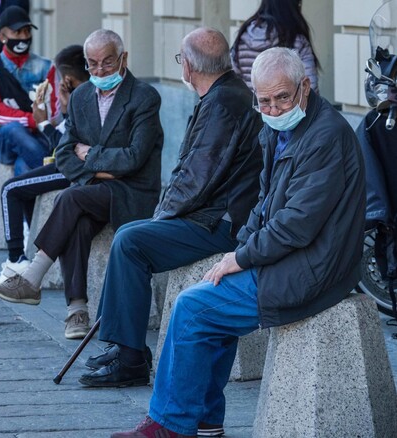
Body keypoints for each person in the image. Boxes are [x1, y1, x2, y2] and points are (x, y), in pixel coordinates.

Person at [111, 47, 365, 438]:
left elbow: (296, 225)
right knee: (207, 299)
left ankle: (171, 424)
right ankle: (205, 419)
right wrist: (237, 251)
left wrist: (241, 258)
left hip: (314, 266)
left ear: (306, 87)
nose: (275, 109)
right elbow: (262, 205)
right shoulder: (275, 128)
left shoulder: (326, 135)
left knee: (193, 309)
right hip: (290, 257)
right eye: (265, 101)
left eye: (283, 97)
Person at [78, 27, 263, 390]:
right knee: (132, 234)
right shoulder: (224, 95)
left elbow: (197, 177)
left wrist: (161, 216)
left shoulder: (224, 103)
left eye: (181, 59)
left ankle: (130, 357)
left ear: (190, 66)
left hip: (221, 222)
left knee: (132, 241)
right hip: (215, 214)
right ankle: (124, 346)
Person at [0, 29, 164, 340]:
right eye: (92, 64)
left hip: (132, 193)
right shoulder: (82, 96)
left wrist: (91, 156)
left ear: (123, 59)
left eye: (107, 63)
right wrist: (102, 168)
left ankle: (32, 277)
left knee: (69, 199)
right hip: (94, 189)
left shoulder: (144, 97)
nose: (98, 71)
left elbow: (134, 159)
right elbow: (66, 153)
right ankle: (77, 311)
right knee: (77, 222)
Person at [0, 44, 90, 280]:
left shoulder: (84, 97)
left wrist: (43, 122)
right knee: (21, 182)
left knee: (10, 189)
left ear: (66, 78)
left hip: (71, 169)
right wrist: (64, 110)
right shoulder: (79, 97)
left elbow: (65, 146)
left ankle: (16, 259)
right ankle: (26, 254)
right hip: (69, 163)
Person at [0, 5, 59, 178]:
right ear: (2, 37)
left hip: (39, 137)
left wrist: (41, 122)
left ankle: (21, 201)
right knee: (14, 130)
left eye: (27, 32)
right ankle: (58, 173)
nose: (24, 37)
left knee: (24, 164)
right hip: (1, 139)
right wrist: (34, 120)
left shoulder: (46, 66)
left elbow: (54, 108)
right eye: (17, 33)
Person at [230, 0, 320, 93]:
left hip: (249, 106)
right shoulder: (296, 40)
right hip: (287, 107)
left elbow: (232, 82)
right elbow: (310, 89)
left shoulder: (243, 37)